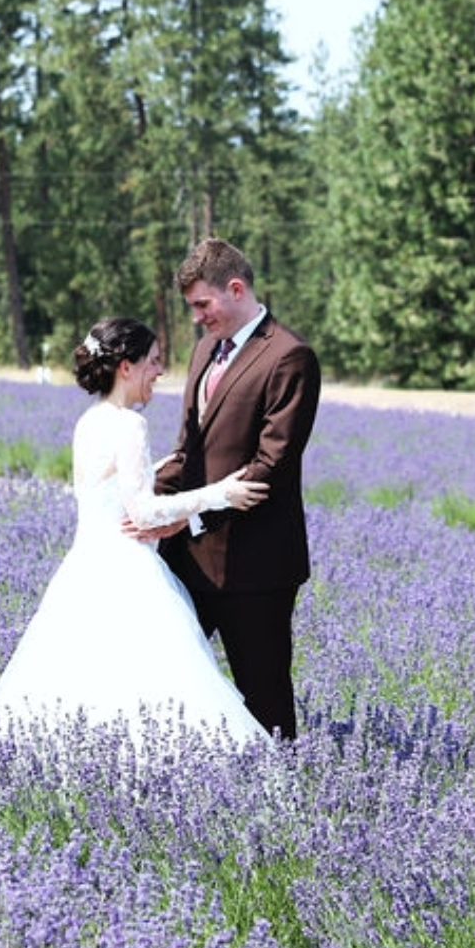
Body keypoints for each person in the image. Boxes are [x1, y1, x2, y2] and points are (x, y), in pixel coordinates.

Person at [0, 317, 269, 749]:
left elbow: (108, 490)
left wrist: (160, 468)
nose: (159, 371)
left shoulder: (89, 421)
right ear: (126, 367)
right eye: (152, 362)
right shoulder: (130, 425)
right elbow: (144, 511)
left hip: (83, 569)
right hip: (128, 574)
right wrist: (219, 494)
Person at [154, 239, 321, 741]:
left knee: (263, 691)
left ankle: (282, 797)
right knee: (169, 677)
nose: (198, 319)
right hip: (186, 556)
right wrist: (142, 498)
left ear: (236, 288)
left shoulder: (290, 357)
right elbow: (190, 450)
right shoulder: (206, 350)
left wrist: (191, 511)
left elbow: (270, 466)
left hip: (255, 565)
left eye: (204, 305)